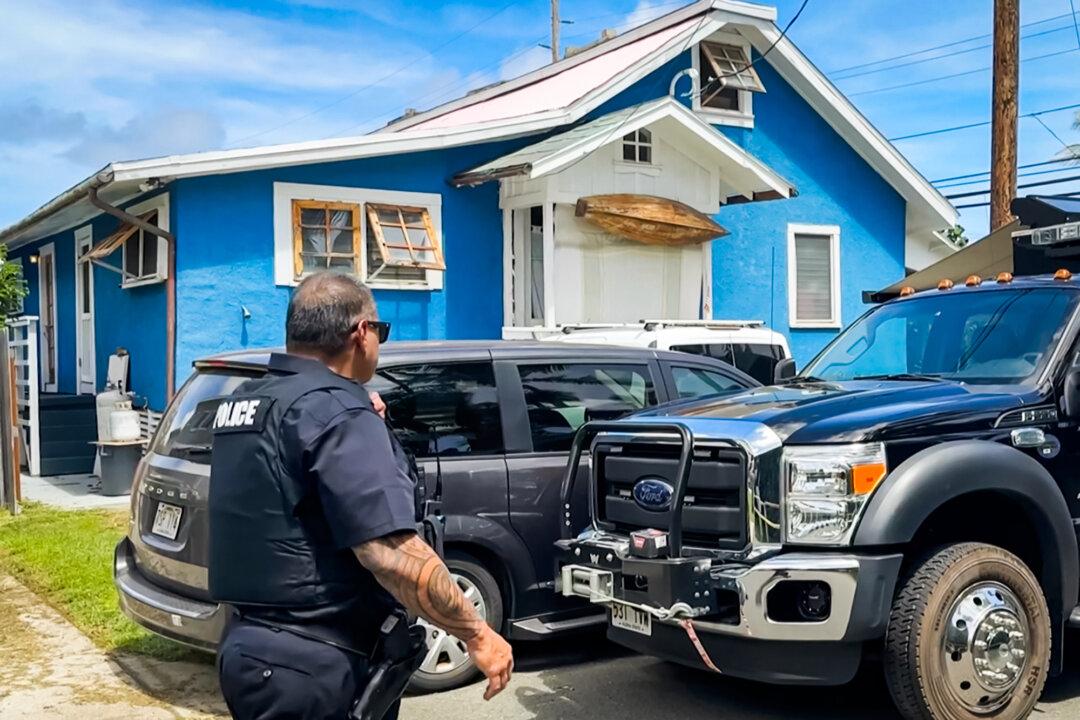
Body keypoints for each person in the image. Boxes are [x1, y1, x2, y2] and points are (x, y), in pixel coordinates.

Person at [207, 272, 513, 720]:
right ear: (361, 333)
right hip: (318, 662)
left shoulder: (249, 401)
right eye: (380, 331)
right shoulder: (338, 411)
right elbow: (388, 551)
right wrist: (477, 633)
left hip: (250, 651)